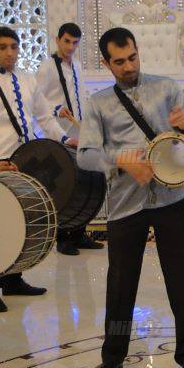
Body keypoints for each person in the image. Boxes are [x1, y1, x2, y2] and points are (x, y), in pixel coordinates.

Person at [77, 27, 184, 368]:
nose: (128, 66)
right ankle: (113, 356)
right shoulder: (98, 104)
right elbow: (86, 157)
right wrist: (121, 161)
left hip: (173, 201)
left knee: (181, 281)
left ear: (138, 52)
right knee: (121, 286)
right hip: (125, 205)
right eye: (119, 62)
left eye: (132, 57)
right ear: (106, 63)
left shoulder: (166, 88)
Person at [0, 26, 75, 311]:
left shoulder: (28, 80)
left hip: (26, 161)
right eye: (3, 47)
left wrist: (66, 139)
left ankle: (13, 280)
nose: (10, 52)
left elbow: (45, 118)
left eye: (14, 47)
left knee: (21, 222)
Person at [36, 22, 104, 255]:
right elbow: (38, 99)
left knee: (83, 181)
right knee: (66, 184)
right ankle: (63, 238)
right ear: (57, 40)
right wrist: (55, 108)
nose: (71, 47)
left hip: (78, 131)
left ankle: (79, 232)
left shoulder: (76, 64)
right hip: (59, 132)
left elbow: (80, 95)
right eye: (67, 41)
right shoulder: (47, 67)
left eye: (75, 42)